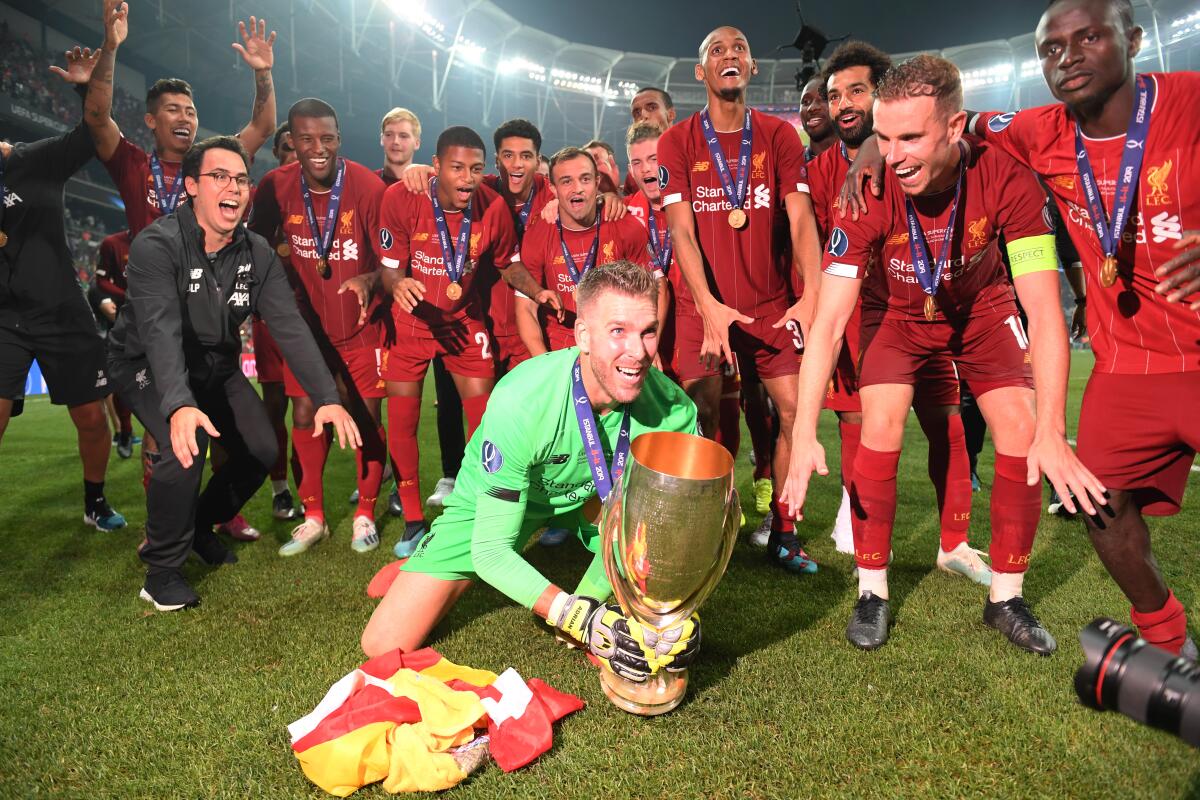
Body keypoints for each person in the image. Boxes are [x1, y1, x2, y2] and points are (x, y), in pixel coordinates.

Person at [782, 54, 1106, 654]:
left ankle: (1005, 599)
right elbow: (828, 323)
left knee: (1020, 427)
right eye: (883, 137)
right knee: (879, 425)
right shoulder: (867, 191)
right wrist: (805, 435)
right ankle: (872, 589)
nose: (894, 154)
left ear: (955, 128)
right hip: (897, 315)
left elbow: (1042, 308)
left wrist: (1054, 430)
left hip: (982, 309)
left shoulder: (1007, 175)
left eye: (910, 136)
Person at [960, 0, 1200, 656]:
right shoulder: (1039, 130)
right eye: (1050, 48)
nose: (1066, 56)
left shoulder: (1189, 100)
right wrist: (872, 139)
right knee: (1096, 500)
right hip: (1128, 366)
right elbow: (956, 120)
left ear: (1132, 39)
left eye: (1088, 37)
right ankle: (1168, 635)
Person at [360, 261, 700, 688]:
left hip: (595, 502)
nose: (638, 351)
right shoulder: (522, 399)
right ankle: (419, 564)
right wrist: (574, 615)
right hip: (502, 503)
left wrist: (616, 608)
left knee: (644, 546)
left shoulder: (674, 412)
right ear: (583, 337)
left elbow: (669, 535)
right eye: (618, 331)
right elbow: (490, 552)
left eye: (648, 331)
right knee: (384, 643)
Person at [107, 135, 361, 610]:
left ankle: (201, 525)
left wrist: (327, 395)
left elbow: (289, 328)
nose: (234, 187)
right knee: (185, 444)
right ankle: (161, 571)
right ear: (190, 187)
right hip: (144, 362)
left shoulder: (257, 252)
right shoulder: (156, 245)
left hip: (215, 364)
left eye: (241, 179)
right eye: (219, 177)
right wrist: (180, 406)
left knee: (263, 448)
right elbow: (160, 333)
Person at [85, 0, 276, 542]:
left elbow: (264, 122)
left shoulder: (219, 161)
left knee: (223, 421)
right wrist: (112, 47)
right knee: (163, 428)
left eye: (190, 110)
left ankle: (218, 514)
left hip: (210, 315)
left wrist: (262, 73)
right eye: (172, 109)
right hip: (157, 319)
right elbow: (97, 117)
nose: (185, 118)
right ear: (151, 119)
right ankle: (163, 525)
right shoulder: (133, 165)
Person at [808, 41, 982, 581]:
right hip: (852, 310)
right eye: (834, 95)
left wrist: (874, 152)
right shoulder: (814, 170)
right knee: (857, 421)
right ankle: (853, 525)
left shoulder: (917, 153)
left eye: (856, 91)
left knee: (945, 423)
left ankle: (954, 542)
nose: (843, 104)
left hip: (918, 306)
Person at [658, 26, 823, 574]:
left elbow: (801, 218)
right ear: (700, 74)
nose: (730, 56)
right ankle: (708, 526)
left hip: (771, 307)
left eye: (740, 50)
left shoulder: (779, 136)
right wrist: (707, 307)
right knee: (698, 414)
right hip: (700, 308)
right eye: (716, 51)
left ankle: (784, 530)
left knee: (796, 413)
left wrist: (812, 293)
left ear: (751, 69)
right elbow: (681, 232)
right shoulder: (676, 142)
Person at [376, 125, 558, 558]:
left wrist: (537, 291)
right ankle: (414, 520)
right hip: (412, 327)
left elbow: (509, 265)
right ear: (435, 166)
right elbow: (388, 267)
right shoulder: (401, 198)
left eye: (475, 169)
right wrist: (397, 284)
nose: (466, 178)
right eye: (456, 168)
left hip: (463, 324)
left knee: (485, 426)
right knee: (402, 423)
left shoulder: (492, 207)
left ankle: (476, 512)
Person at [249, 98, 390, 556]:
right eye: (306, 139)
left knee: (367, 419)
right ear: (291, 140)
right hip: (305, 329)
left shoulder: (367, 186)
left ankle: (365, 512)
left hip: (363, 324)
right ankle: (314, 517)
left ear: (339, 139)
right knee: (307, 416)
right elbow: (254, 250)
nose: (318, 148)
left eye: (327, 138)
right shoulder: (273, 186)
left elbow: (392, 262)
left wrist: (370, 278)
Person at [0, 52, 126, 532]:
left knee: (91, 418)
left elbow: (91, 135)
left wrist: (83, 88)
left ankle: (95, 501)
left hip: (62, 311)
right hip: (6, 317)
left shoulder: (34, 160)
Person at [516, 146, 664, 357]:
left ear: (596, 182)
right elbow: (525, 308)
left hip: (619, 346)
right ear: (553, 189)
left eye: (585, 179)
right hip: (561, 350)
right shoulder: (538, 233)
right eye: (567, 181)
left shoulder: (623, 224)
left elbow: (657, 286)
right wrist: (544, 363)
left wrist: (648, 341)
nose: (577, 188)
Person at [252, 121, 301, 521]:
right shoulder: (261, 197)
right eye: (287, 147)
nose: (295, 154)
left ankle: (311, 490)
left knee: (315, 405)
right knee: (275, 408)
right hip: (270, 319)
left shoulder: (323, 198)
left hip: (314, 320)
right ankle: (280, 488)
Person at [92, 228, 140, 459]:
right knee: (122, 382)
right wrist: (127, 294)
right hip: (125, 320)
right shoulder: (112, 242)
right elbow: (100, 280)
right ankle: (126, 431)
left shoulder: (167, 235)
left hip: (162, 317)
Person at [378, 107, 421, 185]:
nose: (395, 141)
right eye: (389, 135)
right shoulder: (366, 182)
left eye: (403, 136)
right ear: (381, 139)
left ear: (417, 143)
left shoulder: (428, 188)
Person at [799, 75, 836, 160]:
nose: (811, 108)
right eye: (806, 102)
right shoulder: (789, 166)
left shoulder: (862, 163)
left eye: (823, 99)